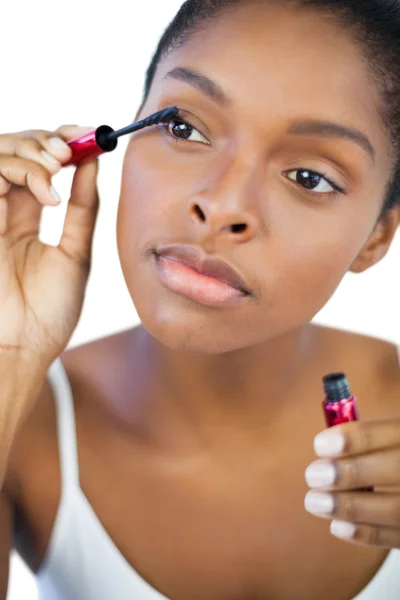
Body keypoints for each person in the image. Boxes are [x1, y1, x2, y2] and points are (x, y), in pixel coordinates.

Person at [1, 0, 400, 598]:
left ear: (375, 238)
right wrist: (7, 357)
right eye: (182, 127)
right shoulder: (21, 428)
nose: (222, 205)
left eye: (309, 176)